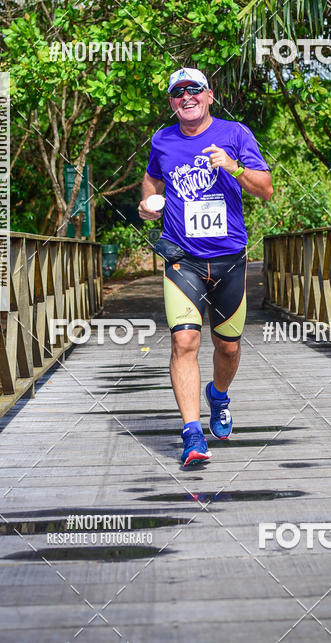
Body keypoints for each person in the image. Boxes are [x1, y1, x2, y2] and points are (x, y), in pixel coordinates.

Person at [138, 68, 273, 467]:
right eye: (178, 93)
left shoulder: (236, 134)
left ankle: (218, 395)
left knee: (227, 347)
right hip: (183, 259)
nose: (186, 97)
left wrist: (232, 166)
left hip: (230, 259)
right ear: (171, 103)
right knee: (184, 342)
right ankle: (192, 434)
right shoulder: (162, 140)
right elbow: (150, 181)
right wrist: (148, 205)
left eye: (193, 90)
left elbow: (265, 189)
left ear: (209, 96)